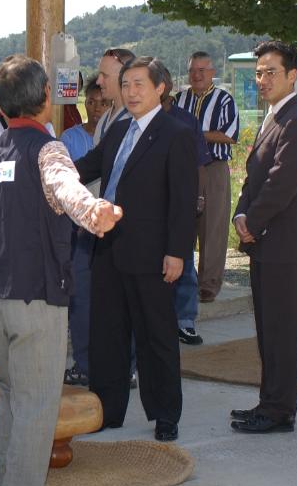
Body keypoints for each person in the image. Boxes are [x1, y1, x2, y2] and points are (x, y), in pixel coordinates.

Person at [0, 54, 122, 486]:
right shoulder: (48, 150)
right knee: (37, 402)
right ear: (42, 100)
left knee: (11, 394)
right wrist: (95, 212)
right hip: (35, 294)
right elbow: (67, 189)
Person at [75, 57, 198, 442]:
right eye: (126, 84)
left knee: (155, 336)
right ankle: (107, 410)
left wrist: (177, 252)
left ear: (161, 87)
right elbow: (86, 168)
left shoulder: (175, 134)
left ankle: (165, 414)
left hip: (153, 254)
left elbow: (182, 201)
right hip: (108, 248)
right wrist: (44, 167)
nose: (131, 92)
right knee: (107, 334)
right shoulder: (117, 131)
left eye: (139, 84)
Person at [229, 40, 297, 435]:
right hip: (266, 242)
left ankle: (280, 409)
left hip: (286, 243)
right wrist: (240, 214)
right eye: (259, 72)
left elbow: (283, 182)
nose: (262, 79)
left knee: (283, 330)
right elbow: (254, 178)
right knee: (268, 328)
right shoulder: (274, 118)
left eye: (270, 72)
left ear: (292, 75)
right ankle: (270, 402)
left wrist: (253, 220)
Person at [174, 51, 239, 305]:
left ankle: (208, 285)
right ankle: (181, 278)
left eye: (202, 70)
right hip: (184, 168)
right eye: (192, 70)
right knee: (181, 223)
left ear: (212, 72)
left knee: (213, 227)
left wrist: (194, 134)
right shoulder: (179, 100)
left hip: (213, 168)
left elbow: (230, 135)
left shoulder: (224, 99)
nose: (197, 75)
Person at [59, 82, 111, 385]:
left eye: (102, 103)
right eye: (91, 102)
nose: (96, 108)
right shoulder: (69, 137)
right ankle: (83, 361)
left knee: (110, 296)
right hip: (78, 225)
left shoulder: (118, 131)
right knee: (79, 295)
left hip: (109, 220)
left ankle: (120, 365)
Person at [162, 83, 211, 346]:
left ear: (164, 88)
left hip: (181, 201)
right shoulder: (136, 118)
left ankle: (186, 321)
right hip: (152, 206)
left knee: (184, 260)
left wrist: (199, 196)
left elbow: (200, 164)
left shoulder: (185, 121)